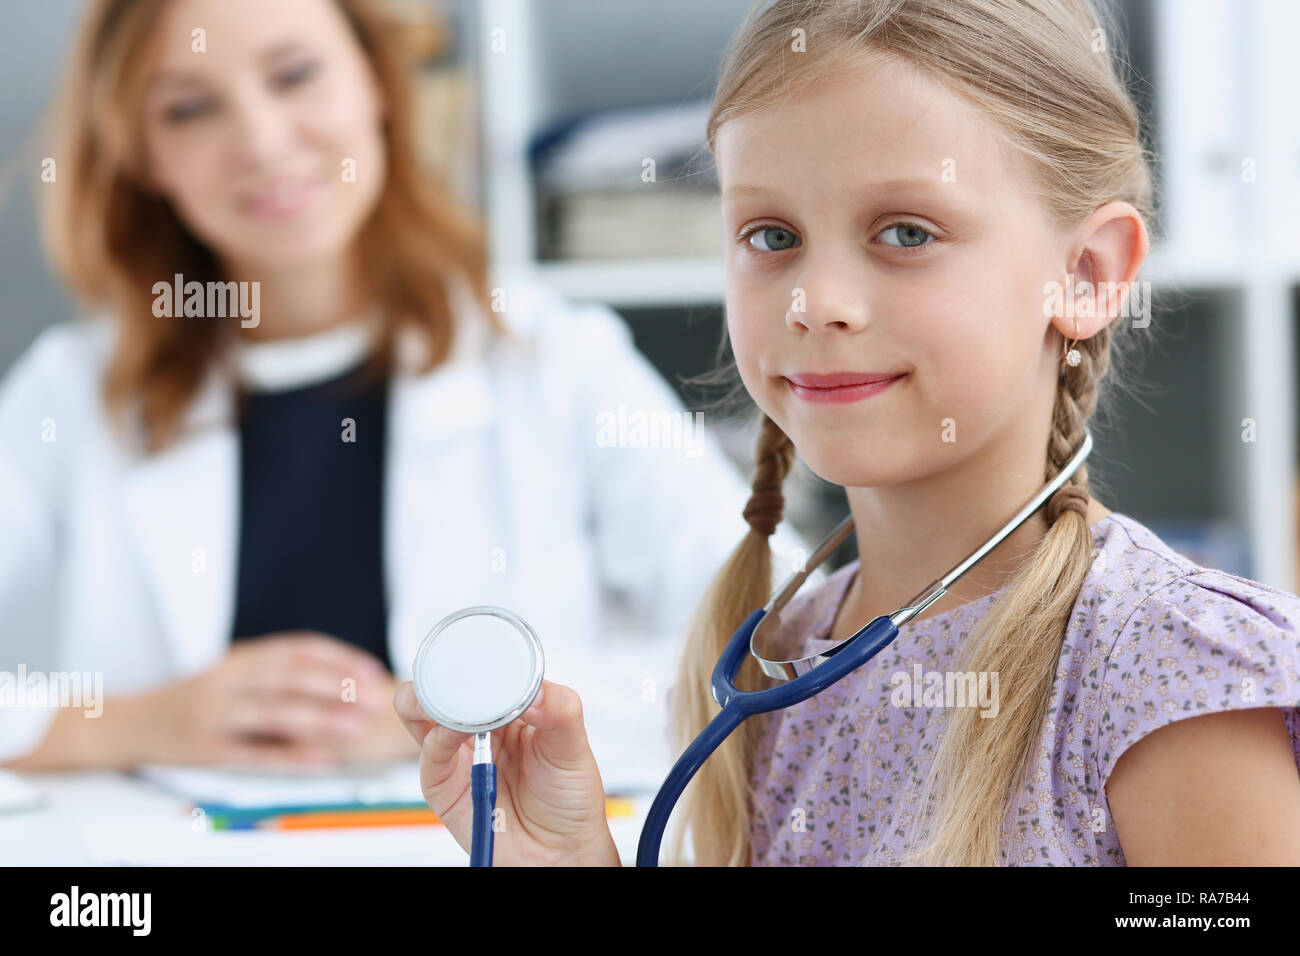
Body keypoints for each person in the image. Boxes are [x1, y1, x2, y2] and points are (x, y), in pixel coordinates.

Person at [394, 0, 1300, 866]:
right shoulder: (782, 662)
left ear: (1088, 274)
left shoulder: (1172, 671)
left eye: (906, 232)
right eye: (771, 234)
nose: (815, 301)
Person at [0, 0, 810, 783]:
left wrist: (465, 707)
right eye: (188, 109)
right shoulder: (68, 395)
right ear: (141, 154)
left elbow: (782, 635)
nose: (261, 140)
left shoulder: (552, 357)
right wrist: (142, 721)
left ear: (377, 82)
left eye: (294, 75)